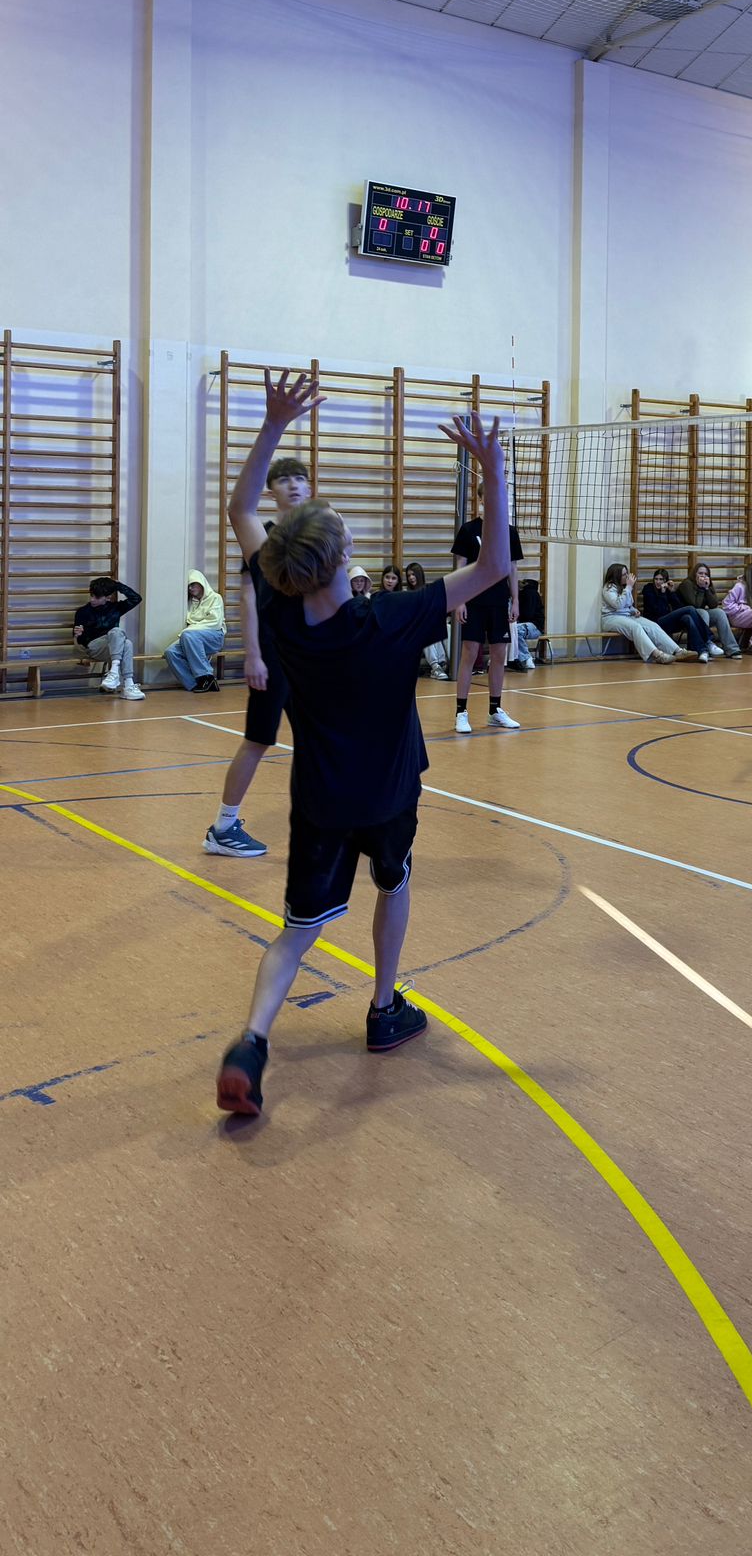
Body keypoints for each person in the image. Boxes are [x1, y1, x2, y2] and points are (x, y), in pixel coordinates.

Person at [215, 372, 512, 1117]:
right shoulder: (392, 619)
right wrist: (492, 472)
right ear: (343, 556)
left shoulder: (281, 610)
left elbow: (241, 508)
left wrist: (274, 423)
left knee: (295, 933)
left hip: (320, 800)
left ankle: (251, 1042)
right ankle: (384, 1009)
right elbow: (494, 566)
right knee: (394, 884)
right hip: (388, 796)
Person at [203, 454, 312, 860]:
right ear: (270, 492)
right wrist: (253, 655)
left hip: (310, 658)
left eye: (300, 478)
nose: (294, 485)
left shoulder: (317, 533)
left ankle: (325, 820)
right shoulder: (262, 538)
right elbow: (248, 598)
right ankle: (223, 827)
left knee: (318, 739)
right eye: (284, 480)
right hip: (273, 655)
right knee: (258, 738)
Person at [451, 481, 522, 733]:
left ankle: (494, 710)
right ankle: (461, 712)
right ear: (481, 499)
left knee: (500, 654)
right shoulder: (469, 530)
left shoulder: (509, 532)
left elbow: (512, 568)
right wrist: (459, 600)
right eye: (488, 496)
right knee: (470, 654)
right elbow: (459, 567)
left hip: (498, 601)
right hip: (473, 599)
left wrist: (515, 600)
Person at [73, 574, 144, 700]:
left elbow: (136, 598)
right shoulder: (82, 612)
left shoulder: (115, 608)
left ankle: (126, 683)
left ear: (108, 597)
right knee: (118, 633)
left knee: (126, 643)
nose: (92, 599)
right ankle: (118, 676)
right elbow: (79, 642)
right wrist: (78, 635)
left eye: (97, 597)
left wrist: (117, 585)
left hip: (113, 649)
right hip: (94, 648)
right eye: (91, 595)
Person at [601, 566, 687, 662]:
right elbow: (618, 605)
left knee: (653, 625)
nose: (627, 576)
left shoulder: (623, 587)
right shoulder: (609, 588)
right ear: (617, 576)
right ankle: (657, 655)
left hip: (626, 616)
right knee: (635, 627)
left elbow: (627, 605)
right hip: (611, 618)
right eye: (624, 574)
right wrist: (629, 587)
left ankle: (677, 651)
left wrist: (633, 610)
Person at [164, 571, 227, 692]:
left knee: (187, 635)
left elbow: (215, 622)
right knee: (170, 652)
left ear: (202, 583)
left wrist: (189, 630)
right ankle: (195, 684)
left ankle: (206, 677)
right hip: (191, 640)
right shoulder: (189, 602)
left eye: (193, 584)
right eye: (188, 585)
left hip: (214, 637)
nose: (190, 588)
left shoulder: (215, 598)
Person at [641, 567, 714, 659]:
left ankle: (700, 651)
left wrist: (672, 592)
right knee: (690, 609)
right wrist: (662, 594)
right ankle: (708, 640)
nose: (658, 582)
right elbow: (658, 611)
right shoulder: (648, 589)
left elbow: (678, 607)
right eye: (656, 579)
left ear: (665, 580)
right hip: (655, 622)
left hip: (668, 622)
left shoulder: (667, 590)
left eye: (661, 579)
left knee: (688, 618)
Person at [675, 563, 741, 657]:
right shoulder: (686, 584)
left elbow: (713, 605)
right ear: (694, 574)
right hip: (686, 616)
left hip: (701, 615)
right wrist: (701, 589)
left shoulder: (707, 584)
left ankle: (732, 649)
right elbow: (694, 605)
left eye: (706, 574)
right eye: (700, 573)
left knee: (719, 612)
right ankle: (703, 648)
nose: (703, 576)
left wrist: (706, 588)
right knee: (703, 612)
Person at [405, 561, 450, 678]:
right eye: (409, 575)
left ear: (419, 575)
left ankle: (446, 663)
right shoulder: (407, 594)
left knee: (445, 628)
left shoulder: (428, 591)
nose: (411, 578)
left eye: (413, 574)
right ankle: (436, 666)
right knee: (425, 631)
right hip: (414, 629)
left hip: (431, 624)